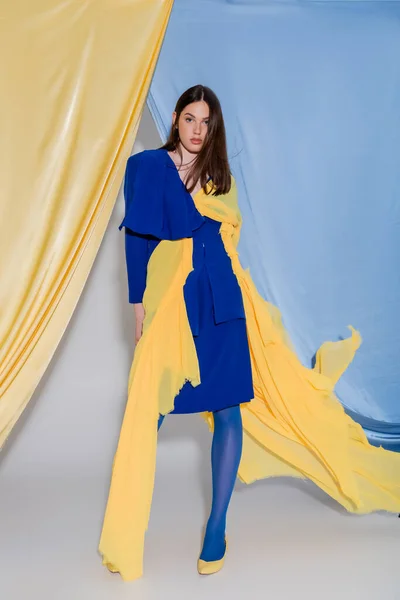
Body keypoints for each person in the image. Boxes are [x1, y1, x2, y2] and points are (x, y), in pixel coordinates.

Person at [99, 85, 400, 582]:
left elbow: (216, 237)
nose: (197, 130)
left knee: (228, 406)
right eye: (190, 118)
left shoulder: (220, 178)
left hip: (219, 298)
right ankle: (127, 527)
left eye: (206, 122)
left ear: (212, 128)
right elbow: (139, 239)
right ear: (174, 119)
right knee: (146, 407)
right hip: (173, 303)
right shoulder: (146, 167)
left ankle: (216, 526)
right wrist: (138, 307)